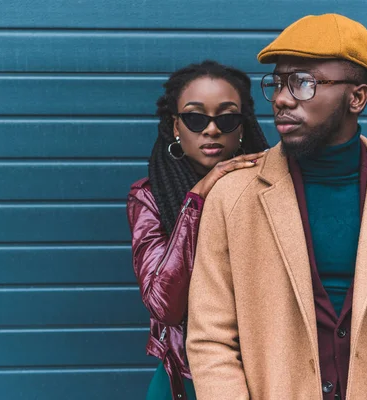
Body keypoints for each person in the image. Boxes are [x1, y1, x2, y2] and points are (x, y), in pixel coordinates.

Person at [186, 14, 367, 400]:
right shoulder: (234, 198)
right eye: (279, 82)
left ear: (357, 97)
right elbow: (211, 338)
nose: (283, 98)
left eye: (303, 82)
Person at [126, 60, 269, 400]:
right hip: (185, 379)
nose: (211, 129)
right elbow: (164, 305)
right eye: (194, 118)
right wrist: (197, 199)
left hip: (264, 371)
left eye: (227, 117)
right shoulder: (148, 197)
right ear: (175, 126)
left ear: (243, 126)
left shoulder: (274, 187)